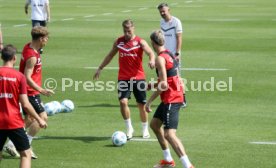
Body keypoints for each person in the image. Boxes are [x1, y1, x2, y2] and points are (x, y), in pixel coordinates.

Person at [93, 19, 155, 140]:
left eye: (129, 31)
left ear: (133, 29)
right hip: (123, 78)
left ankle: (144, 128)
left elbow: (150, 53)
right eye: (125, 31)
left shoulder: (140, 42)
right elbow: (110, 55)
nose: (127, 33)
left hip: (138, 78)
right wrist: (100, 68)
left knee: (141, 105)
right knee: (123, 102)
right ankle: (129, 128)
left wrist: (152, 60)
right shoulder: (119, 42)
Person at [146, 30, 194, 168]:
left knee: (169, 134)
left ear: (153, 43)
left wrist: (149, 101)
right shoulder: (169, 54)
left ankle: (188, 165)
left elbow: (164, 84)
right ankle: (168, 160)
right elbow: (174, 77)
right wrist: (152, 85)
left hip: (171, 98)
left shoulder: (160, 59)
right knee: (155, 125)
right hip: (175, 96)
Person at [4, 26, 54, 159]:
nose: (47, 41)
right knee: (42, 118)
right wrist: (41, 89)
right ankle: (27, 145)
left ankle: (10, 144)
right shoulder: (32, 56)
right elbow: (27, 77)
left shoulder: (28, 47)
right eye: (46, 38)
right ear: (41, 39)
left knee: (29, 119)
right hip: (31, 92)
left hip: (27, 90)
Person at [0, 44, 47, 168]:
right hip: (13, 122)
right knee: (25, 154)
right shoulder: (19, 77)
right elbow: (26, 104)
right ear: (14, 58)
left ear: (2, 58)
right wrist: (39, 119)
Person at [157, 3, 187, 108]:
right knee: (165, 78)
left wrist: (177, 53)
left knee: (177, 78)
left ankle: (183, 99)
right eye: (160, 11)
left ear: (169, 10)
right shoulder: (161, 22)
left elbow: (179, 38)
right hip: (165, 55)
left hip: (174, 55)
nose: (162, 13)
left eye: (164, 11)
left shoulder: (176, 22)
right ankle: (168, 98)